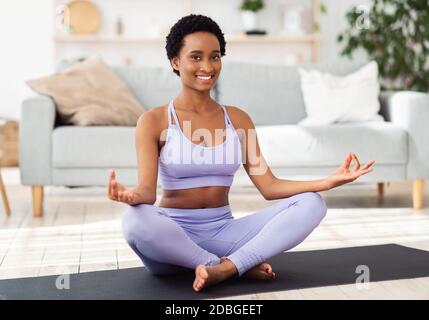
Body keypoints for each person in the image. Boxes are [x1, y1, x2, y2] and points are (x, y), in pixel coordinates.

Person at [107, 14, 375, 292]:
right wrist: (130, 196)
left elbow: (269, 186)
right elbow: (147, 193)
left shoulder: (237, 120)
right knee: (134, 219)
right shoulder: (154, 120)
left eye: (215, 57)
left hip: (225, 233)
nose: (207, 66)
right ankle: (230, 266)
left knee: (312, 204)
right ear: (176, 62)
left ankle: (227, 267)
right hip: (171, 242)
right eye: (196, 57)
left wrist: (327, 182)